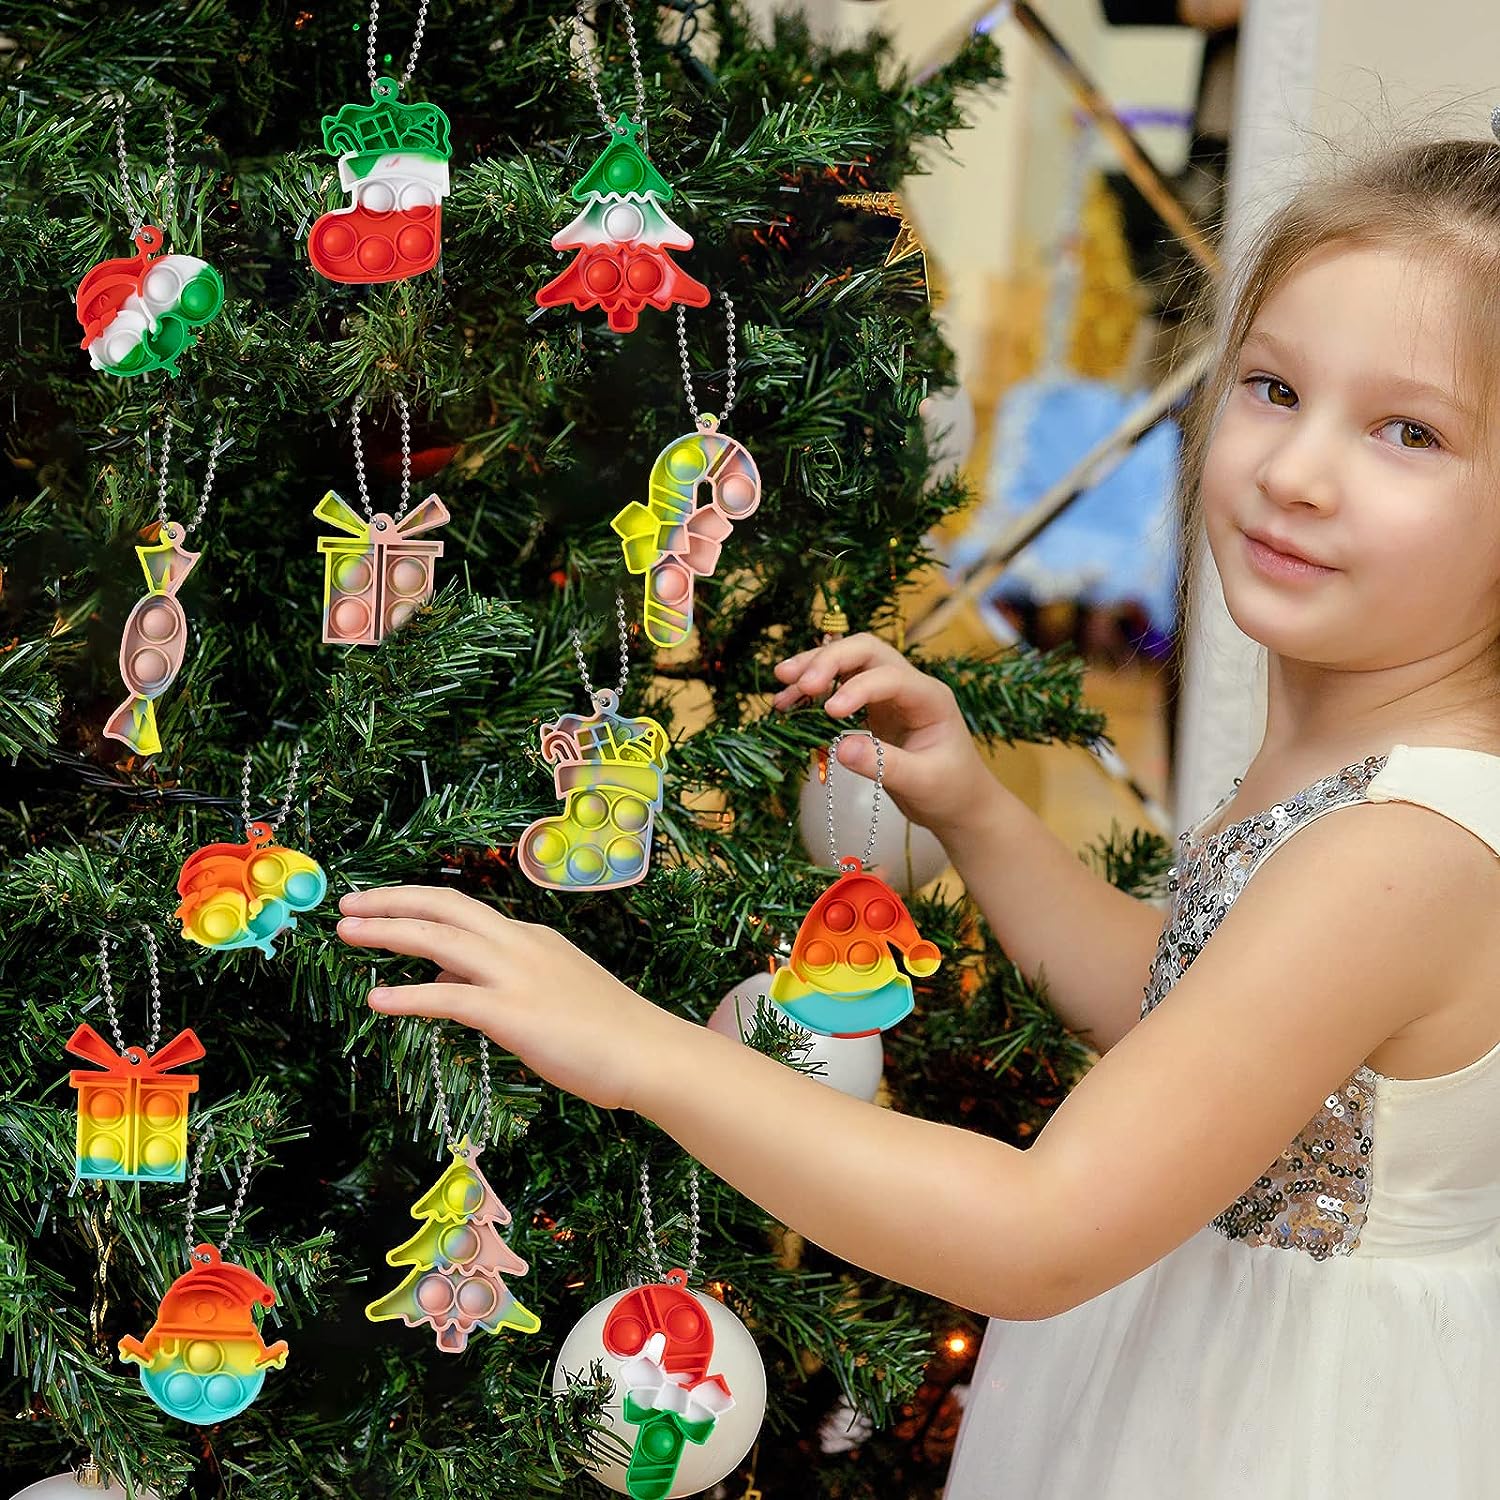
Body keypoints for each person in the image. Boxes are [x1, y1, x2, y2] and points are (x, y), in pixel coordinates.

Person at [337, 128, 1500, 1496]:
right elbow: (1188, 1020)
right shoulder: (1355, 768)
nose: (1297, 470)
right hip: (1187, 1364)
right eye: (1274, 386)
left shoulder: (1403, 848)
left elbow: (1038, 1231)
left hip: (1280, 1429)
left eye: (1409, 431)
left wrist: (632, 1046)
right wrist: (984, 813)